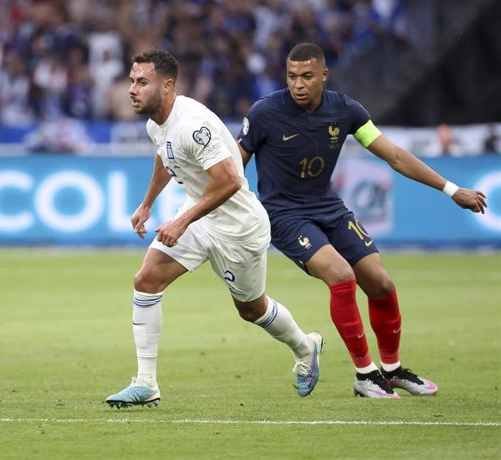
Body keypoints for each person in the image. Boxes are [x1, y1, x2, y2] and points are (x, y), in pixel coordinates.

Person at [237, 42, 488, 399]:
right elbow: (233, 167)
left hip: (330, 208)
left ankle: (392, 369)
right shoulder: (264, 113)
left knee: (381, 283)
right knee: (341, 277)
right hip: (285, 215)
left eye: (307, 76)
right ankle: (365, 375)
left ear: (324, 75)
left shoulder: (345, 111)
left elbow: (396, 157)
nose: (298, 84)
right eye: (292, 76)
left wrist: (451, 189)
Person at [105, 49, 324, 408]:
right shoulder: (155, 123)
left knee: (251, 310)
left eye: (142, 82)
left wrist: (180, 220)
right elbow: (166, 154)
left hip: (238, 227)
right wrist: (147, 204)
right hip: (199, 213)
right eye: (132, 81)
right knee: (146, 280)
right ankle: (145, 382)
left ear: (167, 85)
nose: (132, 89)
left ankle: (305, 346)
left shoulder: (194, 124)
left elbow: (229, 182)